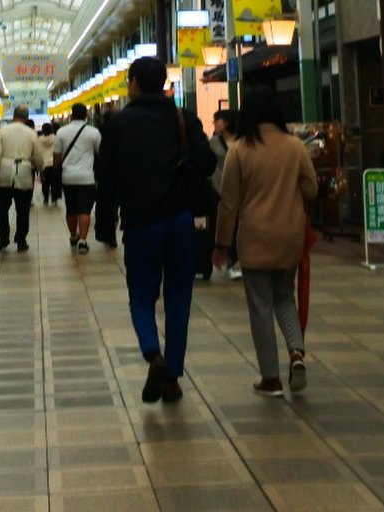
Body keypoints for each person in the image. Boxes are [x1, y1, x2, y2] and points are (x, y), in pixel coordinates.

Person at [95, 56, 215, 404]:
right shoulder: (183, 118)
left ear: (132, 83)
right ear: (164, 82)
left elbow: (106, 181)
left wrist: (105, 226)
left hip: (140, 222)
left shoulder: (118, 125)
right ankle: (172, 377)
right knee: (179, 297)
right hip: (179, 221)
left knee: (142, 296)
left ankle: (154, 355)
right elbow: (207, 163)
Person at [213, 87, 318, 397]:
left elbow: (228, 204)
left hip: (255, 236)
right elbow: (311, 188)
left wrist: (221, 244)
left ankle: (270, 378)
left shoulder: (240, 149)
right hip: (289, 234)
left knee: (260, 305)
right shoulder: (294, 146)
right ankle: (296, 352)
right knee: (284, 296)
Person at [0, 106, 40, 252]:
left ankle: (3, 238)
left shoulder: (2, 131)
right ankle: (21, 240)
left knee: (3, 208)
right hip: (24, 172)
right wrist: (40, 168)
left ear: (13, 115)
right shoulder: (31, 133)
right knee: (23, 209)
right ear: (26, 117)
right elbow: (37, 156)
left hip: (4, 172)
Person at [55, 103, 101, 253]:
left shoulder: (61, 132)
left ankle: (73, 236)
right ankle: (83, 240)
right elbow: (101, 152)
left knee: (71, 209)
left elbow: (56, 156)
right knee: (85, 211)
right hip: (87, 178)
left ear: (72, 114)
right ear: (86, 114)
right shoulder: (93, 132)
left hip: (68, 177)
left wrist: (57, 171)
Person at [207, 109, 240, 280]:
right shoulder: (212, 143)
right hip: (217, 188)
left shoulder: (243, 141)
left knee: (239, 224)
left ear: (226, 122)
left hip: (240, 189)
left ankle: (236, 259)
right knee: (221, 223)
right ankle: (229, 256)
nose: (214, 124)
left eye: (217, 120)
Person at [36, 122, 61, 206]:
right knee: (54, 182)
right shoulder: (56, 138)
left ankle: (46, 199)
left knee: (45, 183)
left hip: (43, 164)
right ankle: (54, 199)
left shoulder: (39, 140)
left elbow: (38, 152)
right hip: (54, 164)